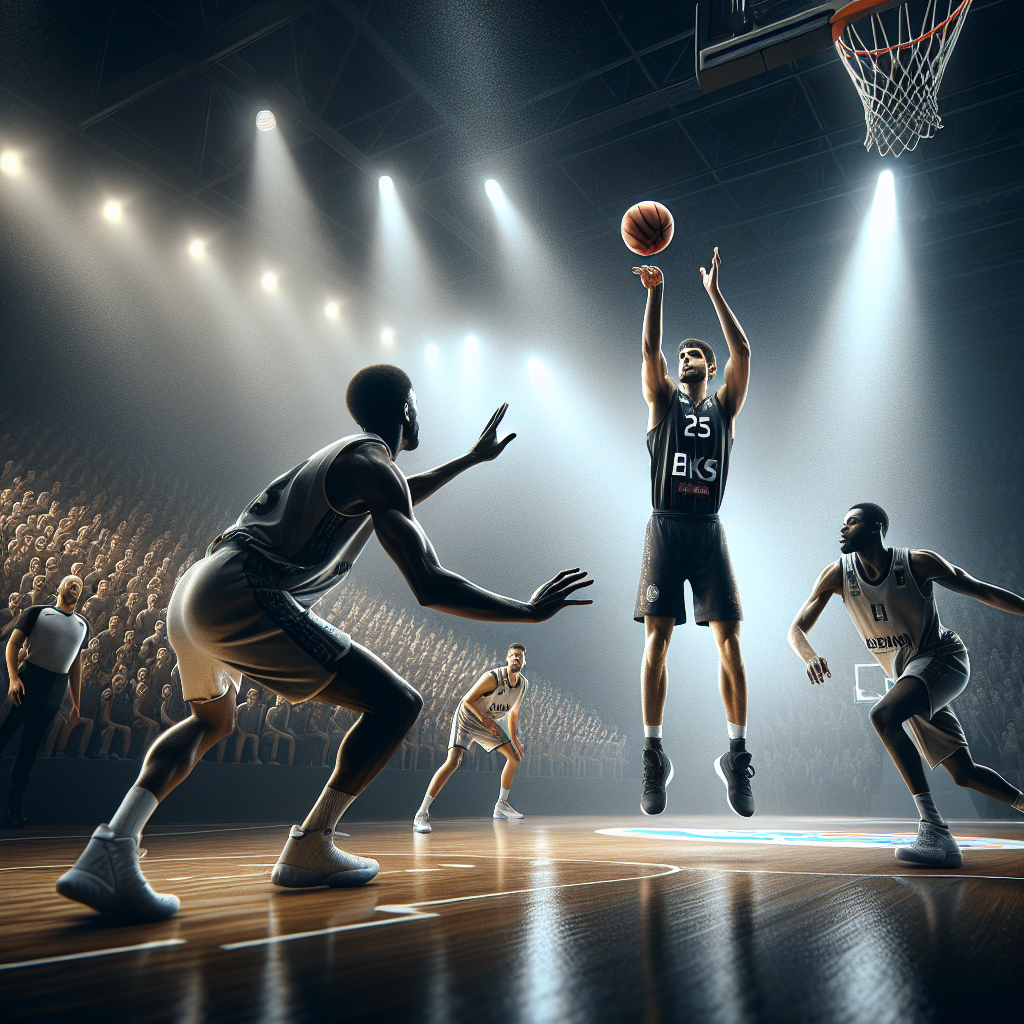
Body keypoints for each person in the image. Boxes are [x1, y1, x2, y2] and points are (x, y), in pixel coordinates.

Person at [57, 364, 592, 921]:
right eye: (418, 404)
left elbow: (401, 495)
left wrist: (468, 461)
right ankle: (311, 846)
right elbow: (429, 585)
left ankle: (110, 848)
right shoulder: (371, 464)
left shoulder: (359, 464)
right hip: (245, 586)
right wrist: (527, 613)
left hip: (198, 585)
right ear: (406, 408)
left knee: (211, 723)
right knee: (397, 704)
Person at [788, 504, 1024, 867]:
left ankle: (933, 829)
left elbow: (979, 590)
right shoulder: (837, 575)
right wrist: (810, 656)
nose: (843, 528)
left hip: (943, 657)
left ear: (876, 526)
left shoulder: (916, 563)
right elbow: (796, 628)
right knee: (963, 773)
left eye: (852, 522)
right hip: (910, 676)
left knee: (883, 714)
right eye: (843, 523)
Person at [631, 248, 754, 816]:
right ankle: (654, 754)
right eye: (681, 355)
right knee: (657, 639)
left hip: (707, 529)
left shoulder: (725, 407)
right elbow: (650, 349)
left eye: (693, 354)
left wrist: (713, 292)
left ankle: (737, 754)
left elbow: (743, 351)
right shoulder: (662, 402)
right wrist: (656, 292)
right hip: (665, 526)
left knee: (729, 640)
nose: (683, 359)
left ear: (707, 366)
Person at [1, 575, 89, 827]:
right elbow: (13, 643)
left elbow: (76, 665)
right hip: (28, 682)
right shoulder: (36, 612)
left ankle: (13, 810)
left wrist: (76, 702)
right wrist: (14, 677)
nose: (75, 587)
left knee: (28, 754)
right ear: (60, 587)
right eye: (71, 583)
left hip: (54, 693)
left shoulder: (83, 625)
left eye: (79, 587)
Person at [413, 643, 528, 832]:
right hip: (468, 717)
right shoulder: (492, 678)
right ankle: (421, 813)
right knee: (453, 761)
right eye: (513, 655)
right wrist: (486, 722)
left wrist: (514, 738)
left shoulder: (522, 685)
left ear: (524, 661)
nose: (516, 658)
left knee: (515, 757)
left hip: (487, 722)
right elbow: (467, 702)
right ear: (507, 658)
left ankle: (501, 806)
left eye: (520, 657)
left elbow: (513, 713)